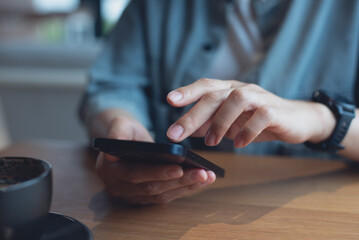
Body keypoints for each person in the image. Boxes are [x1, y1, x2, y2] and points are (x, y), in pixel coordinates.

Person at [80, 0, 359, 205]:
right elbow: (111, 87)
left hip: (314, 208)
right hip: (180, 210)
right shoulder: (153, 6)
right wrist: (124, 130)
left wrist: (321, 120)